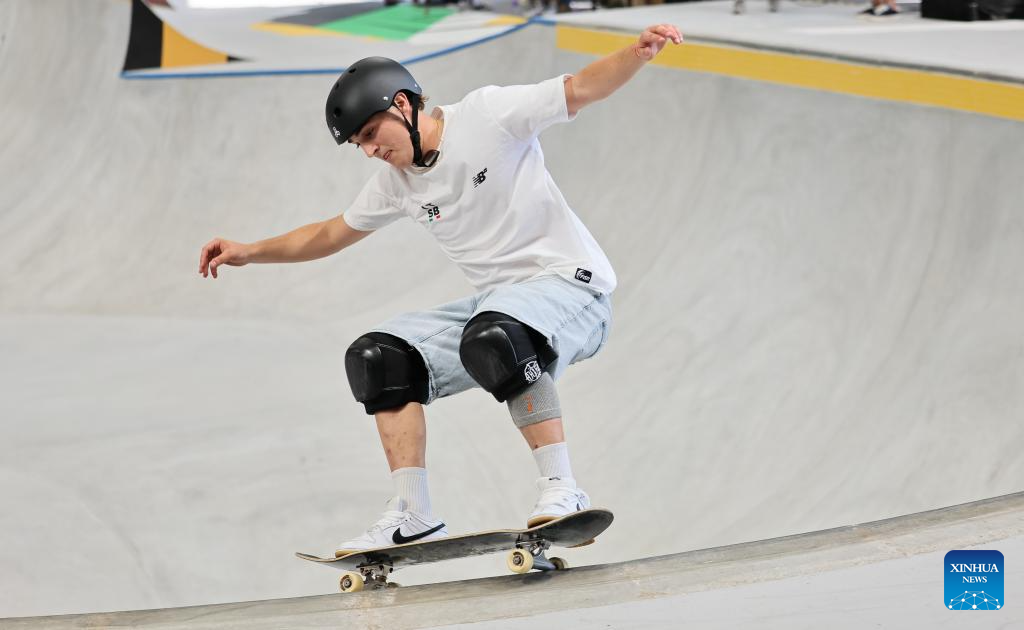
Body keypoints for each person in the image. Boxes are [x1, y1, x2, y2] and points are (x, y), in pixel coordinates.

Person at [198, 24, 683, 556]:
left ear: (403, 105)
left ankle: (562, 488)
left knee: (496, 335)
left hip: (573, 289)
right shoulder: (395, 184)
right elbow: (329, 234)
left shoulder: (487, 115)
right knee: (378, 357)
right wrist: (249, 250)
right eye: (359, 144)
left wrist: (636, 53)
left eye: (371, 133)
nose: (371, 151)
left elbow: (581, 88)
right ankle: (413, 513)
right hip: (498, 304)